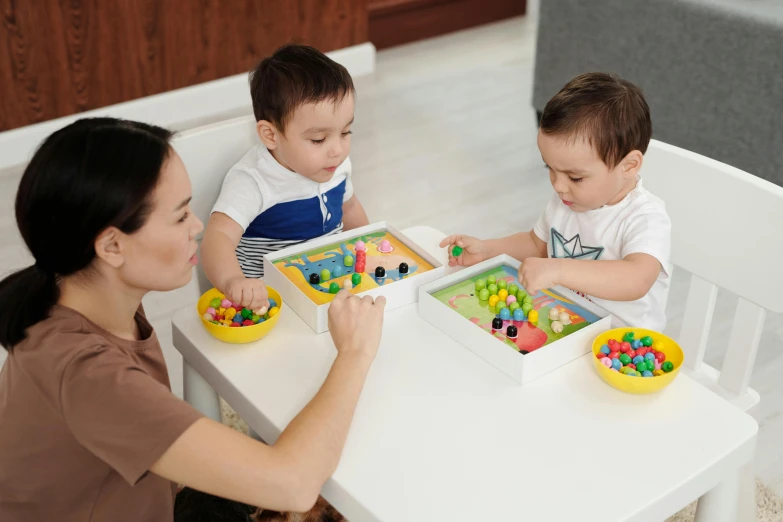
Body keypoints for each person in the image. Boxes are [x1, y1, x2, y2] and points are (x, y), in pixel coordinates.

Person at [0, 118, 385, 522]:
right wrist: (355, 353)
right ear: (112, 245)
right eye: (181, 216)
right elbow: (293, 483)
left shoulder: (86, 294)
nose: (198, 228)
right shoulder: (87, 375)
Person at [441, 73, 671, 330]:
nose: (558, 186)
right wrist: (486, 249)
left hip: (624, 348)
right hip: (568, 327)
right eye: (549, 168)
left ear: (628, 166)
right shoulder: (569, 199)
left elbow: (636, 280)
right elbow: (537, 245)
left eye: (575, 177)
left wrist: (561, 270)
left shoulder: (645, 218)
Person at [201, 44, 370, 312]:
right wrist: (234, 281)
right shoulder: (253, 181)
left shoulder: (336, 165)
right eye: (319, 139)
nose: (337, 150)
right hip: (270, 301)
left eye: (346, 132)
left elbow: (349, 208)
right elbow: (217, 237)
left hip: (330, 288)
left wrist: (367, 250)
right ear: (271, 136)